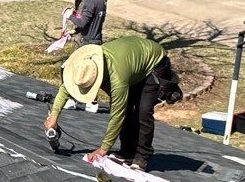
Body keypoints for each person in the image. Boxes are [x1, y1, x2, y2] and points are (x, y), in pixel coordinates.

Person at [44, 36, 182, 168]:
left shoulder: (117, 79)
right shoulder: (85, 62)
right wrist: (54, 116)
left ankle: (142, 156)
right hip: (131, 63)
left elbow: (117, 114)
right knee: (128, 108)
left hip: (154, 63)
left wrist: (103, 150)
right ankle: (127, 153)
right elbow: (66, 87)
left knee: (142, 111)